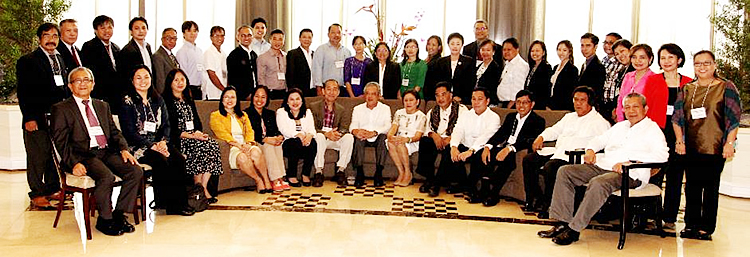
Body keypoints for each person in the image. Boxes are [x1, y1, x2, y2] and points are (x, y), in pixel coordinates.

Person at [539, 93, 668, 245]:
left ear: (645, 109)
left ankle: (574, 230)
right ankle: (563, 222)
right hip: (604, 166)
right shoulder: (620, 126)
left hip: (631, 174)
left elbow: (662, 155)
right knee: (565, 171)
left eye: (635, 107)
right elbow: (599, 140)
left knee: (598, 182)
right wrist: (591, 150)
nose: (631, 111)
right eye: (627, 107)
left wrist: (631, 161)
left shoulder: (652, 129)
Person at [50, 67, 144, 235]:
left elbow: (115, 132)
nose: (82, 84)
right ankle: (105, 220)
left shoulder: (102, 106)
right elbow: (61, 141)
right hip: (83, 155)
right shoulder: (62, 108)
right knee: (106, 177)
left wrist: (123, 149)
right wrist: (74, 163)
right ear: (70, 86)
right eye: (78, 81)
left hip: (106, 151)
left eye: (86, 80)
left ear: (93, 84)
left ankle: (119, 214)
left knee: (135, 171)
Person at [672, 50, 741, 241]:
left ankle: (707, 227)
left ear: (714, 65)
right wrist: (680, 141)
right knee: (691, 187)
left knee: (710, 188)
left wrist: (730, 143)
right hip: (691, 147)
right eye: (698, 64)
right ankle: (691, 224)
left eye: (706, 63)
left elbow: (733, 119)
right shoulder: (686, 89)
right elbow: (677, 118)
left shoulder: (725, 87)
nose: (702, 67)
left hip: (715, 147)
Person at [523, 86, 610, 218]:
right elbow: (554, 130)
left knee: (550, 167)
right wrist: (541, 137)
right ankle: (534, 199)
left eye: (582, 100)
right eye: (575, 100)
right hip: (558, 152)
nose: (578, 103)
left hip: (576, 159)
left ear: (590, 102)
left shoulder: (599, 122)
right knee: (529, 160)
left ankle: (549, 205)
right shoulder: (569, 117)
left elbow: (604, 145)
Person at [119, 65, 194, 215]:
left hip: (160, 143)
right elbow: (129, 132)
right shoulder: (127, 102)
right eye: (138, 78)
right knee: (162, 161)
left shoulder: (157, 99)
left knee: (178, 159)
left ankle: (181, 202)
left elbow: (166, 125)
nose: (143, 81)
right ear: (132, 81)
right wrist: (151, 145)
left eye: (146, 77)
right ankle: (170, 205)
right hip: (138, 146)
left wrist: (163, 142)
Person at [16, 23, 68, 208]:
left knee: (51, 154)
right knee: (37, 156)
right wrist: (29, 118)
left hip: (55, 116)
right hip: (36, 116)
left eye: (55, 36)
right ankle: (37, 193)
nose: (51, 39)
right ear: (39, 38)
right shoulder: (28, 60)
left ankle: (53, 188)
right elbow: (23, 92)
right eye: (47, 35)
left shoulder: (59, 59)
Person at [645, 43, 692, 231]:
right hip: (657, 132)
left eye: (670, 57)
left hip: (680, 134)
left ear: (679, 60)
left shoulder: (688, 82)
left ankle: (670, 216)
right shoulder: (653, 80)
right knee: (654, 172)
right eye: (663, 58)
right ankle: (649, 214)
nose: (666, 61)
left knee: (675, 175)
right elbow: (646, 107)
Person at [474, 90, 545, 206]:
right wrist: (487, 146)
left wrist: (510, 148)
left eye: (525, 102)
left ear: (532, 104)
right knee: (482, 153)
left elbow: (529, 141)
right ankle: (483, 190)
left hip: (518, 151)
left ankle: (494, 193)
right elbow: (500, 134)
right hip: (505, 148)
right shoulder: (511, 117)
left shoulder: (538, 120)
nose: (521, 106)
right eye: (518, 102)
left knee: (508, 159)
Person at [162, 69, 223, 201]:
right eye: (176, 80)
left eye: (182, 79)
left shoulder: (188, 99)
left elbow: (197, 122)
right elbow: (171, 129)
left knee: (212, 144)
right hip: (178, 140)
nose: (180, 83)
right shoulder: (166, 101)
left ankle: (203, 187)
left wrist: (198, 133)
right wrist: (191, 136)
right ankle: (199, 187)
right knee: (199, 147)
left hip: (193, 136)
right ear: (170, 83)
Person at [210, 87, 274, 194]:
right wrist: (238, 146)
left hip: (246, 144)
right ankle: (258, 180)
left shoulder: (243, 115)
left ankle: (266, 179)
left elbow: (250, 131)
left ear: (237, 100)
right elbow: (222, 134)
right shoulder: (216, 115)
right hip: (232, 147)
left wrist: (248, 143)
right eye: (226, 97)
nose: (229, 100)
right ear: (222, 100)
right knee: (242, 157)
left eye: (232, 97)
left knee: (256, 152)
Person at [416, 82, 468, 197]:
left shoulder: (462, 110)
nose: (440, 98)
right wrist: (434, 135)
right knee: (425, 142)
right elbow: (426, 129)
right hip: (438, 139)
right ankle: (429, 179)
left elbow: (465, 129)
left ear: (450, 95)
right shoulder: (432, 111)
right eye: (437, 95)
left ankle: (436, 184)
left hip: (454, 141)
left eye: (443, 94)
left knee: (449, 149)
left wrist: (451, 139)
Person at [449, 87, 501, 196]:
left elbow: (486, 137)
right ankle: (463, 184)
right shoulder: (466, 114)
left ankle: (471, 186)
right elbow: (458, 130)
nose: (476, 102)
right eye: (473, 99)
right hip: (466, 146)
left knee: (480, 155)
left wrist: (471, 150)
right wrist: (454, 146)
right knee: (449, 151)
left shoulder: (494, 117)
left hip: (479, 148)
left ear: (487, 101)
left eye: (480, 99)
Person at [245, 86, 289, 191]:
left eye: (263, 97)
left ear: (267, 99)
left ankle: (281, 178)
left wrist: (279, 136)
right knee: (269, 145)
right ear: (252, 98)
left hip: (269, 140)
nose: (259, 100)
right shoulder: (246, 113)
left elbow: (275, 130)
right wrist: (265, 139)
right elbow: (248, 133)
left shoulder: (270, 113)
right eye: (257, 96)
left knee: (277, 144)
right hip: (255, 142)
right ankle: (274, 179)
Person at [310, 80, 354, 186]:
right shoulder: (313, 106)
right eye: (329, 89)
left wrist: (336, 134)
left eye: (335, 89)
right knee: (319, 136)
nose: (332, 92)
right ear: (323, 91)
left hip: (335, 138)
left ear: (338, 92)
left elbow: (344, 128)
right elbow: (312, 128)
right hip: (322, 138)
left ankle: (340, 171)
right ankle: (319, 172)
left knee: (349, 137)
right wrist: (326, 133)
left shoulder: (342, 109)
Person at [350, 82, 392, 187]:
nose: (370, 96)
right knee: (357, 138)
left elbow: (388, 126)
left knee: (383, 138)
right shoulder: (357, 108)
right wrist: (356, 132)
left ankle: (378, 173)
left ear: (378, 95)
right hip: (363, 136)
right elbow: (352, 125)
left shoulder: (385, 108)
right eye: (367, 93)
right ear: (364, 95)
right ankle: (359, 173)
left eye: (373, 94)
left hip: (377, 136)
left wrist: (374, 133)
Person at [276, 88, 318, 187]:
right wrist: (298, 135)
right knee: (295, 142)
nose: (295, 102)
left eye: (297, 99)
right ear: (287, 101)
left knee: (313, 143)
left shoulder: (307, 112)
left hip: (303, 142)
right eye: (292, 99)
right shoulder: (281, 112)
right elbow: (283, 129)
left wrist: (309, 136)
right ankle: (291, 175)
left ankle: (305, 174)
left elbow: (312, 129)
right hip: (288, 143)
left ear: (302, 101)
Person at [386, 90, 427, 187]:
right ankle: (401, 172)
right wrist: (390, 136)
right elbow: (393, 128)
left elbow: (418, 136)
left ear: (417, 102)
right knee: (390, 142)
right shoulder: (399, 113)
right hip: (400, 138)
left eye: (411, 100)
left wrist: (407, 139)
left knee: (400, 144)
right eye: (406, 100)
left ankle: (408, 173)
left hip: (413, 141)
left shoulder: (422, 116)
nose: (408, 103)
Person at [81, 15, 121, 111]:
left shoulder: (116, 48)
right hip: (99, 95)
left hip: (115, 96)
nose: (106, 31)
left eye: (109, 27)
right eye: (102, 28)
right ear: (95, 30)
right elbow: (90, 72)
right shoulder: (89, 47)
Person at [615, 44, 655, 122]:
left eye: (642, 57)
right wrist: (620, 121)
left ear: (650, 59)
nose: (637, 61)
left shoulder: (654, 78)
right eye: (634, 57)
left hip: (644, 122)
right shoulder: (628, 76)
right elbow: (620, 99)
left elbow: (653, 107)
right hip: (626, 119)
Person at [434, 33, 474, 104]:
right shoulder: (441, 61)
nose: (455, 46)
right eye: (452, 44)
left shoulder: (469, 61)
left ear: (462, 45)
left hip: (462, 100)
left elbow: (470, 83)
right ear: (448, 45)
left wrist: (460, 97)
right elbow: (438, 81)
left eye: (458, 44)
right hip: (443, 99)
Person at [312, 23, 352, 96]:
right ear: (328, 34)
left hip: (342, 89)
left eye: (338, 33)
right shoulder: (321, 49)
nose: (336, 35)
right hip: (326, 89)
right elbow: (317, 69)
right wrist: (319, 88)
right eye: (333, 32)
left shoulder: (347, 51)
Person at [601, 39, 634, 123]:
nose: (620, 55)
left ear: (631, 50)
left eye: (622, 51)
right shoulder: (622, 70)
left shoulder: (634, 69)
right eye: (617, 54)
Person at [117, 17, 152, 84]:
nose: (141, 31)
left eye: (143, 28)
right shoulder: (127, 50)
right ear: (131, 31)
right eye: (136, 28)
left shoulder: (148, 46)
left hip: (147, 85)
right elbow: (125, 76)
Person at [174, 21, 204, 100]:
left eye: (195, 31)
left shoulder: (199, 51)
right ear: (183, 33)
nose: (192, 33)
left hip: (199, 88)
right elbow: (183, 73)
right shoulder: (182, 52)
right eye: (189, 31)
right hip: (189, 88)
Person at [226, 25, 257, 100]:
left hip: (254, 94)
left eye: (249, 35)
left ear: (252, 37)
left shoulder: (254, 55)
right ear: (237, 37)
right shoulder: (233, 55)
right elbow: (233, 79)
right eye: (243, 35)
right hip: (242, 96)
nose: (246, 38)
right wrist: (245, 94)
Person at [497, 37, 529, 108]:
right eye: (504, 50)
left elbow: (519, 88)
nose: (506, 52)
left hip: (512, 104)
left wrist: (511, 105)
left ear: (517, 50)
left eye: (509, 50)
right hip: (503, 102)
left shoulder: (521, 65)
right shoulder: (508, 63)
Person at [600, 33, 626, 117]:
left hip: (613, 104)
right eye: (605, 42)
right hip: (602, 102)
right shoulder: (603, 61)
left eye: (611, 43)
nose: (607, 45)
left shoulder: (622, 62)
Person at [256, 29, 287, 99]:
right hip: (270, 92)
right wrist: (264, 94)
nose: (277, 42)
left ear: (283, 41)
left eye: (280, 39)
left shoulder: (286, 56)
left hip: (284, 92)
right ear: (270, 40)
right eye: (274, 39)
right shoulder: (262, 57)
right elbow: (261, 78)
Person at [549, 40, 578, 111]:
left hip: (564, 106)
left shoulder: (572, 69)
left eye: (564, 50)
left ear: (569, 52)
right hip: (553, 105)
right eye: (559, 50)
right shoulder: (555, 67)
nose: (561, 53)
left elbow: (569, 92)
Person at [286, 28, 315, 96]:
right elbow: (290, 75)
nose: (307, 40)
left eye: (309, 37)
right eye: (304, 37)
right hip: (299, 91)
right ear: (299, 38)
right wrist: (293, 92)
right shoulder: (292, 54)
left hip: (313, 90)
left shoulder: (314, 54)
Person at [524, 40, 552, 109]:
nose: (534, 53)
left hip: (539, 105)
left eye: (537, 51)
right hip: (529, 103)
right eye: (532, 51)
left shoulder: (546, 67)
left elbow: (545, 89)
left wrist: (535, 102)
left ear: (543, 53)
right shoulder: (532, 67)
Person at [151, 28, 180, 94]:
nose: (172, 41)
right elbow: (160, 81)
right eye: (168, 38)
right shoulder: (158, 56)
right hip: (165, 95)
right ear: (162, 39)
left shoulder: (172, 56)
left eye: (174, 38)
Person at [203, 26, 228, 100]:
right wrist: (223, 89)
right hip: (212, 93)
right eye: (216, 36)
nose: (219, 38)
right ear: (211, 37)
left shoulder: (223, 53)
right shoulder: (209, 52)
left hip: (222, 92)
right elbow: (211, 74)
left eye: (222, 36)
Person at [474, 40, 502, 105]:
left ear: (493, 52)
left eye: (488, 50)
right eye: (483, 50)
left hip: (488, 101)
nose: (485, 52)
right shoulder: (479, 66)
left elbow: (493, 87)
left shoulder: (496, 68)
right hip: (477, 99)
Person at [422, 35, 443, 100]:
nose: (430, 47)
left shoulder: (439, 62)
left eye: (434, 45)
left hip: (431, 97)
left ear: (439, 47)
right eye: (429, 44)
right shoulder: (424, 61)